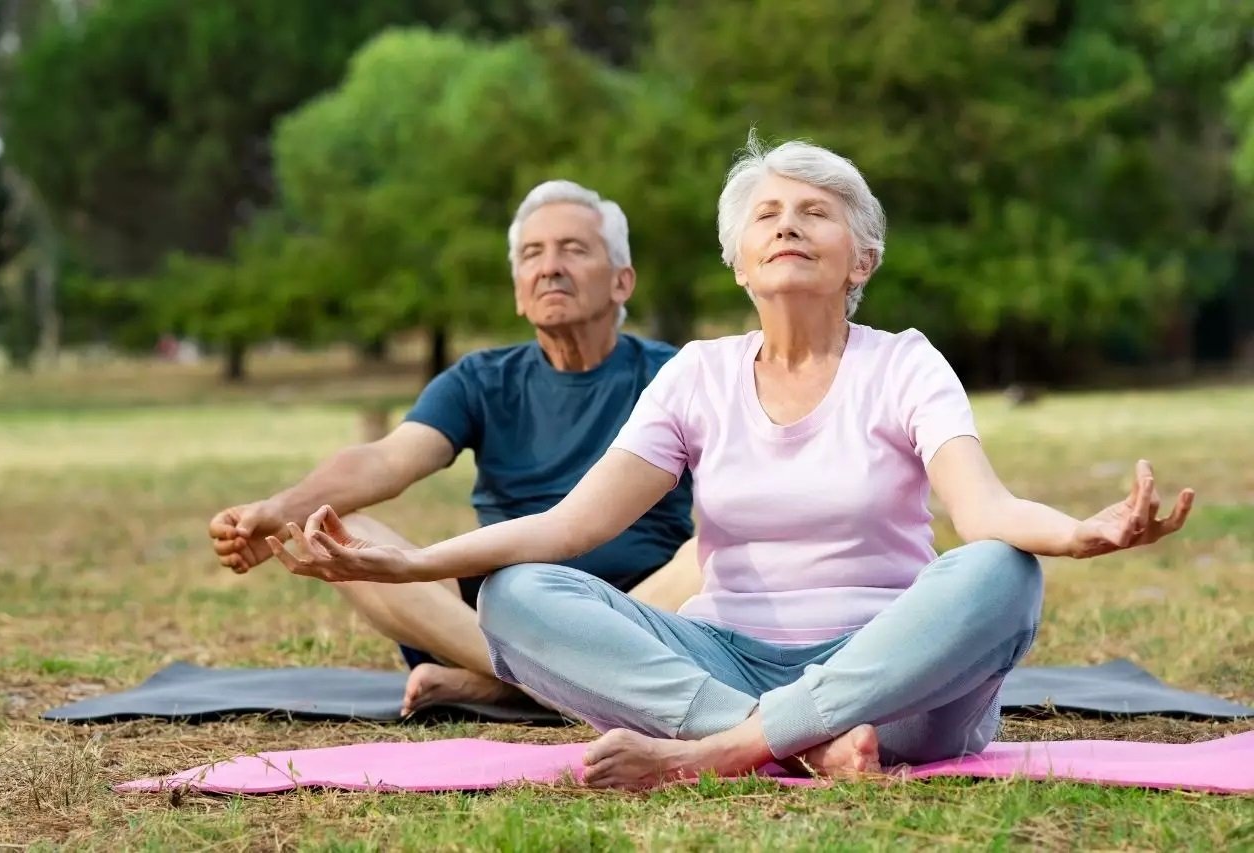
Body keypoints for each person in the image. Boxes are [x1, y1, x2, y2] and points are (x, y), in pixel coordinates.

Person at [265, 135, 1195, 789]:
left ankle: (719, 751)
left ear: (860, 254)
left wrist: (1082, 531)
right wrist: (414, 561)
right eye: (768, 213)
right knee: (518, 593)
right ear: (739, 260)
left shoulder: (905, 361)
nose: (788, 224)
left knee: (1000, 573)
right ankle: (783, 740)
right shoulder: (699, 375)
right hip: (727, 663)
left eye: (816, 213)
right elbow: (571, 527)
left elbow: (983, 512)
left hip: (892, 679)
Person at [208, 180, 700, 715]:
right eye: (532, 254)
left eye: (574, 250)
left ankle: (505, 685)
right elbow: (388, 460)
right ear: (518, 289)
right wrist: (281, 510)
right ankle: (547, 682)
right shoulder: (480, 379)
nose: (549, 267)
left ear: (622, 282)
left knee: (711, 554)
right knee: (337, 530)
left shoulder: (676, 374)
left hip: (639, 606)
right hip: (498, 612)